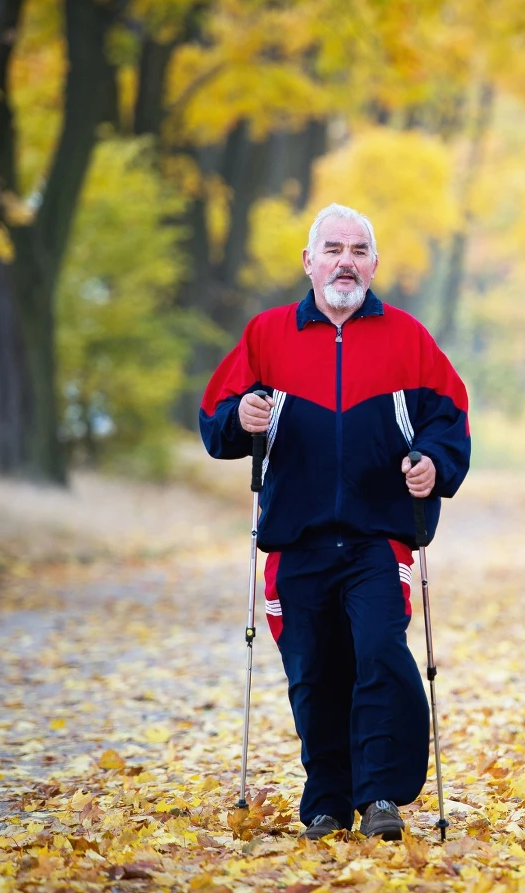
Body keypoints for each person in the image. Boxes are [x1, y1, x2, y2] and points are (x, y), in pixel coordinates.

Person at [200, 203, 471, 840]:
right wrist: (241, 418)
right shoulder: (266, 335)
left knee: (379, 654)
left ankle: (379, 796)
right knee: (314, 673)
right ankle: (326, 800)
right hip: (297, 538)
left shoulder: (407, 337)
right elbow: (216, 418)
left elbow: (449, 418)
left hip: (379, 536)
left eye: (357, 250)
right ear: (309, 261)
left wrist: (432, 464)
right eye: (333, 249)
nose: (345, 262)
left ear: (374, 265)